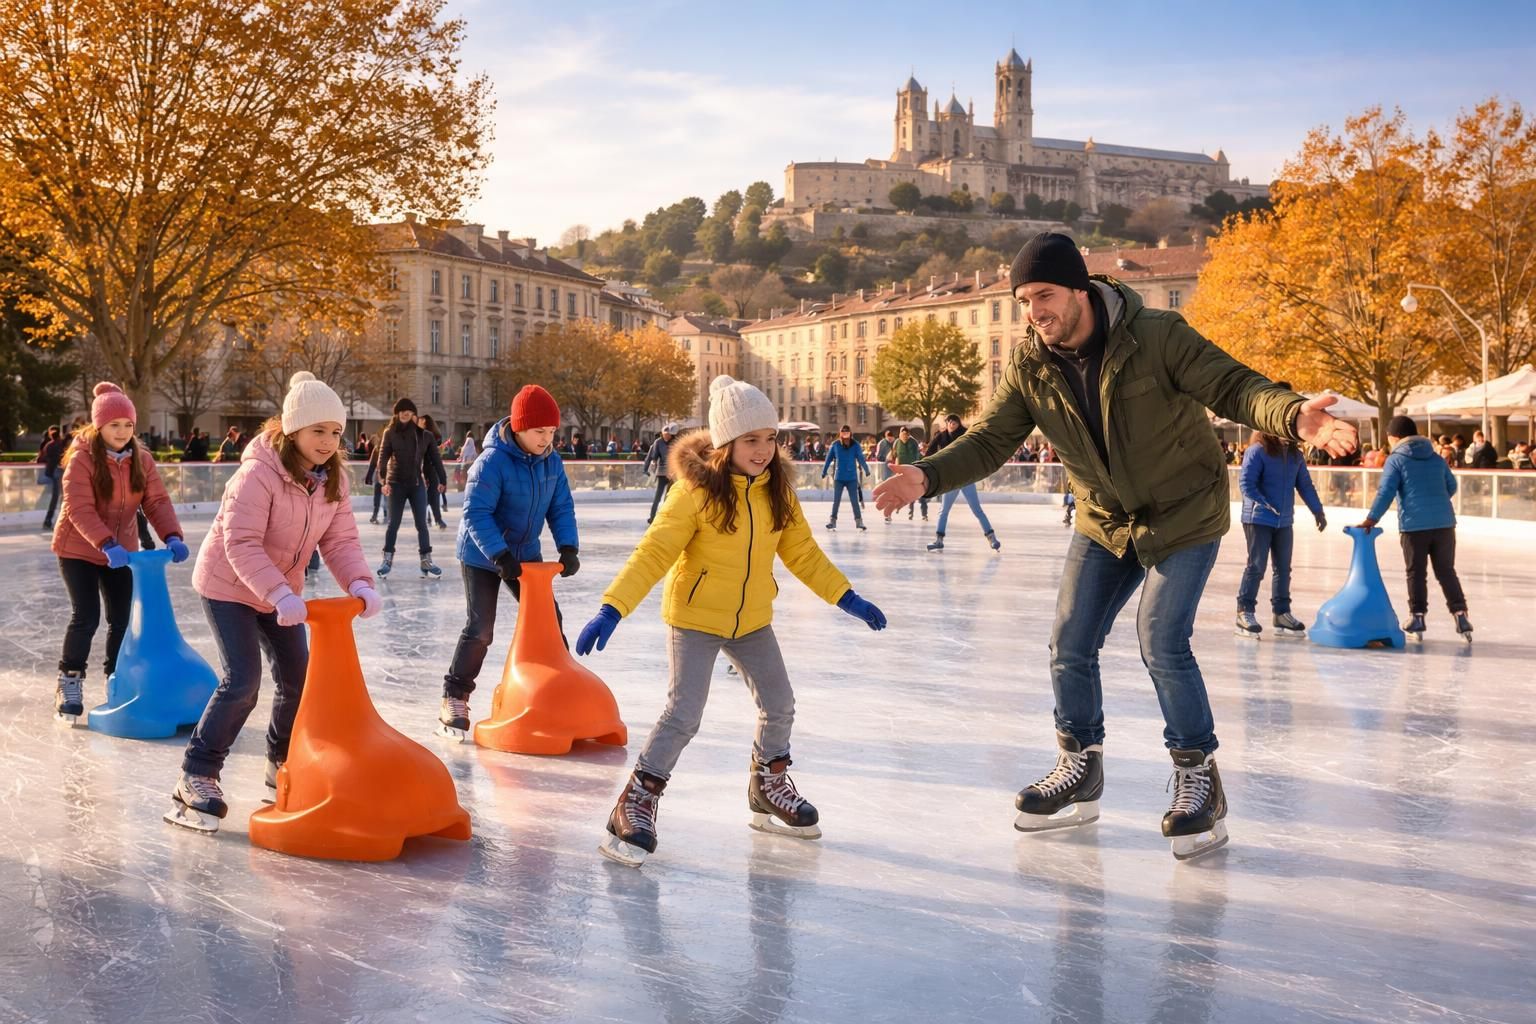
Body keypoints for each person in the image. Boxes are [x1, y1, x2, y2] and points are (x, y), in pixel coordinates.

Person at [874, 232, 1359, 860]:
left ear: (1080, 289)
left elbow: (1234, 386)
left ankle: (1198, 779)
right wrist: (928, 474)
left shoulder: (1157, 335)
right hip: (1106, 519)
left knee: (1160, 637)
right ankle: (1079, 765)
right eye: (1023, 300)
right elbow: (992, 439)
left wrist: (1295, 415)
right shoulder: (1031, 363)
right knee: (1069, 640)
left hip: (1183, 513)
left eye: (1043, 295)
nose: (1034, 312)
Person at [574, 374, 888, 867]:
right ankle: (635, 801)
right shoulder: (694, 492)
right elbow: (653, 554)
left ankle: (768, 783)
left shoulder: (777, 490)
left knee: (780, 702)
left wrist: (845, 596)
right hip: (695, 616)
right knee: (684, 714)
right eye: (751, 440)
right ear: (726, 443)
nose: (763, 450)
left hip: (752, 619)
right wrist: (613, 607)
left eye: (770, 439)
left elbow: (802, 553)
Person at [164, 372, 379, 832]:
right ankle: (196, 775)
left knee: (299, 681)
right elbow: (241, 543)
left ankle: (281, 764)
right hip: (228, 586)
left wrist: (360, 583)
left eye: (336, 432)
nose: (327, 442)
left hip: (281, 594)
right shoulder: (257, 474)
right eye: (318, 430)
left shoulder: (331, 481)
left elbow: (339, 541)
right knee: (243, 680)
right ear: (292, 430)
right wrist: (279, 592)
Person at [439, 385, 578, 739]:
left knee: (549, 617)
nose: (546, 440)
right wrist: (499, 554)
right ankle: (455, 695)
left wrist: (568, 546)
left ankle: (562, 687)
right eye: (538, 432)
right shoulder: (492, 461)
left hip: (525, 551)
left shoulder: (552, 461)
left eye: (550, 432)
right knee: (481, 627)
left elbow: (560, 506)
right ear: (518, 427)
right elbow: (476, 511)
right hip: (482, 554)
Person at [50, 384, 187, 725]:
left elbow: (156, 502)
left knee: (122, 620)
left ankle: (117, 680)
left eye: (128, 425)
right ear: (99, 427)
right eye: (115, 425)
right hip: (78, 549)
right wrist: (104, 542)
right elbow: (78, 508)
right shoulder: (82, 459)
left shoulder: (142, 460)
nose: (122, 432)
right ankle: (70, 680)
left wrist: (171, 535)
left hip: (122, 553)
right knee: (86, 616)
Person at [1359, 415, 1472, 642]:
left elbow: (1386, 492)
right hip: (1444, 524)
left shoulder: (1396, 459)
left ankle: (1417, 617)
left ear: (1395, 437)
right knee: (1446, 571)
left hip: (1414, 526)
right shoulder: (1435, 457)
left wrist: (1371, 519)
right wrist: (1437, 502)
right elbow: (1451, 485)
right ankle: (1461, 616)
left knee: (1416, 572)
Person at [1235, 403, 1326, 639]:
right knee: (1256, 566)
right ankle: (1244, 610)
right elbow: (1246, 483)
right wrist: (1264, 503)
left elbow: (1304, 484)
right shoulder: (1258, 450)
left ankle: (1281, 613)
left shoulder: (1295, 455)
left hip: (1284, 520)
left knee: (1283, 568)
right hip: (1258, 518)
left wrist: (1318, 510)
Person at [375, 397, 446, 578]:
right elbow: (382, 458)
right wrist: (383, 481)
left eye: (408, 411)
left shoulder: (425, 436)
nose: (405, 414)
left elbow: (436, 460)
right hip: (396, 483)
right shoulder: (390, 433)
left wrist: (442, 480)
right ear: (397, 414)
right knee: (393, 523)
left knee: (422, 524)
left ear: (413, 414)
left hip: (416, 485)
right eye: (402, 411)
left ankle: (426, 560)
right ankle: (387, 559)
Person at [923, 414, 1000, 552]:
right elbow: (929, 452)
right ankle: (939, 539)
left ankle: (991, 537)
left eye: (955, 422)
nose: (952, 424)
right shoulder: (941, 436)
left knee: (976, 509)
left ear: (959, 423)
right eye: (949, 422)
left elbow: (977, 450)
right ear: (946, 423)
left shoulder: (966, 434)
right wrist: (925, 467)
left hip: (966, 477)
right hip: (951, 479)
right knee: (944, 510)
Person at [821, 424, 869, 531]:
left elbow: (861, 458)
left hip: (851, 478)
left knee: (854, 501)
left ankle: (859, 522)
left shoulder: (855, 445)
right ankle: (832, 522)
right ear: (841, 434)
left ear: (850, 433)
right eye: (843, 432)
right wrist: (824, 471)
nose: (845, 434)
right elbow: (828, 460)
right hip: (839, 478)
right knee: (836, 501)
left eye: (847, 432)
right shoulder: (835, 445)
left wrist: (866, 469)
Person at [419, 414, 451, 530]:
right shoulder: (427, 435)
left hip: (429, 468)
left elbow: (434, 455)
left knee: (433, 494)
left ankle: (435, 518)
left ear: (425, 422)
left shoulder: (428, 436)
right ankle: (432, 518)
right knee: (429, 494)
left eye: (420, 420)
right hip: (427, 469)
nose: (418, 422)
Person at [643, 424, 677, 524]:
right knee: (658, 497)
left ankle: (667, 517)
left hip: (672, 474)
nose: (666, 436)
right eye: (665, 434)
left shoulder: (675, 443)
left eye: (668, 434)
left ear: (671, 435)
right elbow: (650, 456)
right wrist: (646, 468)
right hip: (662, 473)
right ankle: (652, 517)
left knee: (669, 497)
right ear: (662, 434)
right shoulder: (658, 442)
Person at [890, 426, 924, 522]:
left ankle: (919, 512)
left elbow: (917, 455)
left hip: (911, 469)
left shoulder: (913, 442)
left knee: (914, 492)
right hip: (901, 470)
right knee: (898, 491)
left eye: (906, 434)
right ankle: (893, 509)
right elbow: (894, 455)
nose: (904, 436)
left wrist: (916, 466)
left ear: (909, 434)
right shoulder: (897, 442)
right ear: (900, 434)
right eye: (902, 434)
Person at [38, 426, 66, 530]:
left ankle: (49, 519)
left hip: (54, 473)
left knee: (56, 498)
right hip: (60, 472)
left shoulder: (49, 445)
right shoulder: (61, 445)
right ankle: (53, 520)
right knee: (62, 498)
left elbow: (43, 458)